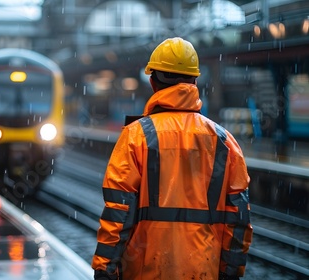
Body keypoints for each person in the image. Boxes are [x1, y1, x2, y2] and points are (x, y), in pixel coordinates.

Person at [91, 37, 253, 280]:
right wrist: (230, 272)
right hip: (203, 270)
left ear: (153, 82)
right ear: (195, 81)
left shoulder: (136, 136)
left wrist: (105, 268)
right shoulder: (224, 141)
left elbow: (118, 210)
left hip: (146, 270)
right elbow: (238, 217)